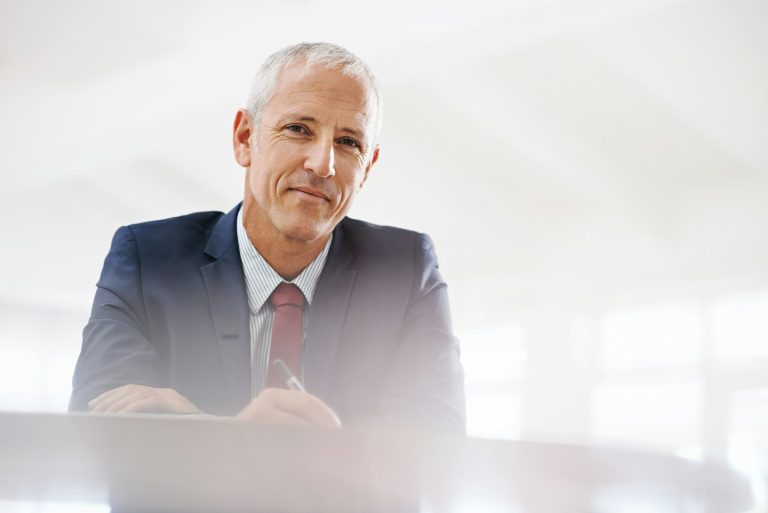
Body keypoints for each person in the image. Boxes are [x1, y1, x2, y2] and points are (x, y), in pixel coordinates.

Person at [69, 42, 465, 433]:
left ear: (367, 167)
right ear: (245, 138)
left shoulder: (405, 270)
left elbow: (438, 440)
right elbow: (95, 426)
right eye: (298, 129)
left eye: (348, 143)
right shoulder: (148, 261)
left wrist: (211, 427)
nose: (322, 163)